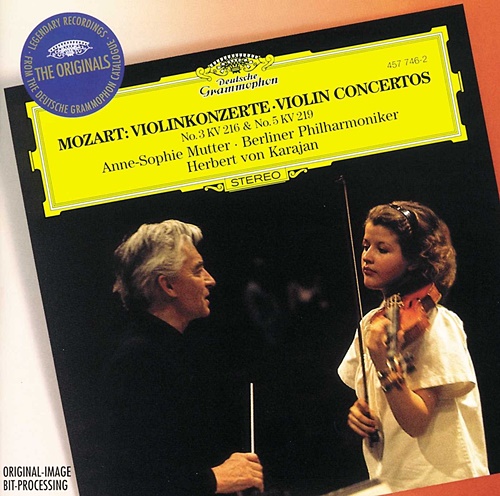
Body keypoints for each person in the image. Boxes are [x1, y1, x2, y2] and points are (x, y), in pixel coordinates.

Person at [98, 219, 264, 496]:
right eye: (198, 270)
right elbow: (133, 480)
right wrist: (214, 480)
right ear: (168, 286)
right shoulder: (137, 360)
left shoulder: (169, 348)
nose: (210, 280)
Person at [338, 202, 489, 493]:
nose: (367, 256)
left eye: (383, 249)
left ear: (415, 261)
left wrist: (382, 362)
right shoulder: (372, 323)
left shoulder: (438, 324)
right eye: (366, 245)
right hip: (394, 478)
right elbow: (375, 399)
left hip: (443, 480)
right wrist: (359, 411)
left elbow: (416, 421)